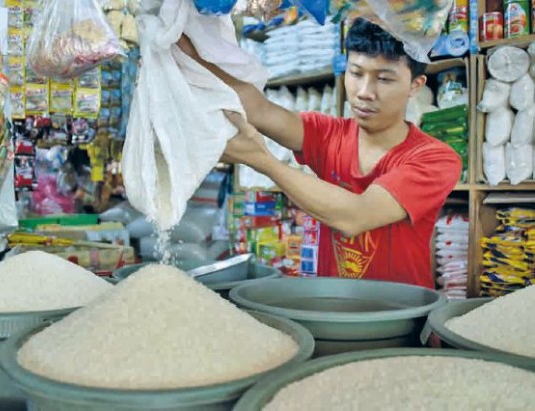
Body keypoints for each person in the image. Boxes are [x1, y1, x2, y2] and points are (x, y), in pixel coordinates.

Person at [177, 18, 462, 288]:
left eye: (384, 79)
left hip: (400, 316)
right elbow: (259, 109)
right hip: (331, 307)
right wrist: (184, 47)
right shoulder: (327, 133)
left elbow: (354, 217)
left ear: (415, 85)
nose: (364, 92)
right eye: (356, 73)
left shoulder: (435, 158)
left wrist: (261, 160)